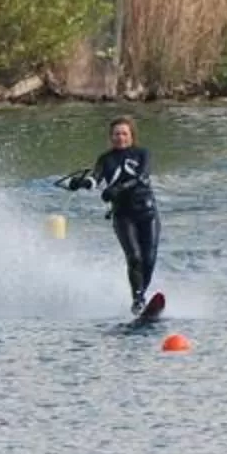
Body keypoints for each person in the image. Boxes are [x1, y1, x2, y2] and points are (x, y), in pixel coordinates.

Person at [62, 114, 160, 314]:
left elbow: (142, 176)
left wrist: (118, 188)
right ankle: (138, 299)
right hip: (123, 216)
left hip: (147, 213)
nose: (120, 137)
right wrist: (82, 183)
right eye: (116, 134)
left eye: (124, 133)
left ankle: (141, 294)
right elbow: (95, 179)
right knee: (134, 257)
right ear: (110, 137)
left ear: (131, 135)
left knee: (148, 259)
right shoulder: (105, 159)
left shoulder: (143, 154)